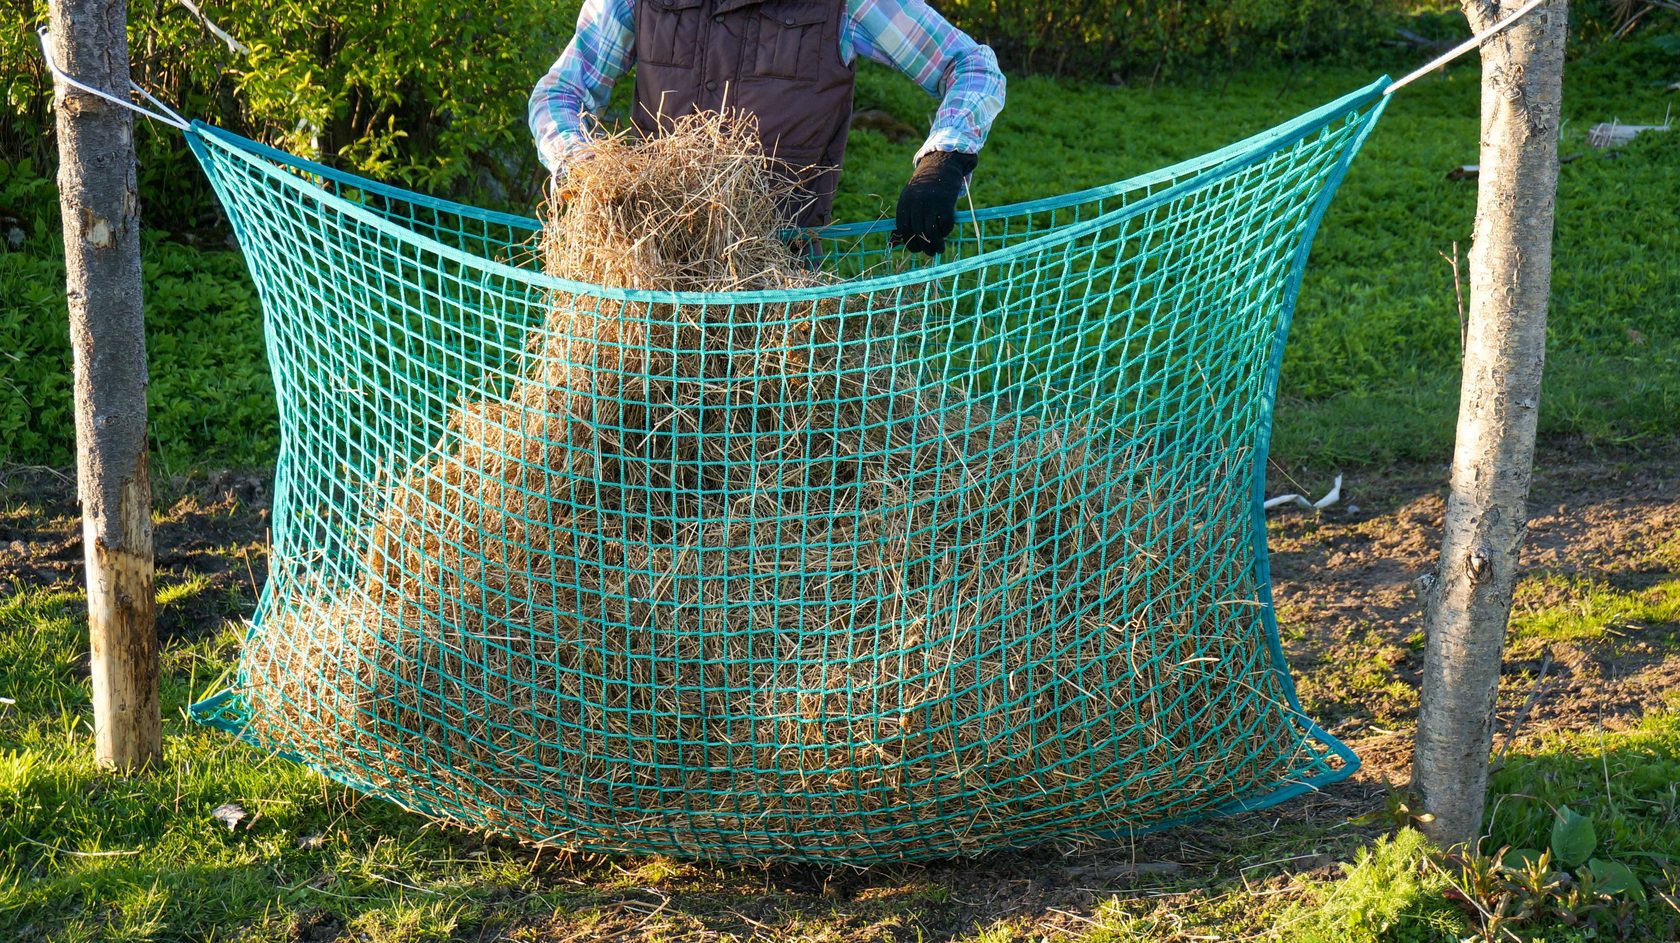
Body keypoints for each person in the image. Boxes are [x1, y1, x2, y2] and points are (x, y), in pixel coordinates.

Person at [529, 0, 1006, 255]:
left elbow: (970, 67)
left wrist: (943, 161)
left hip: (779, 298)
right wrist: (586, 168)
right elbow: (559, 93)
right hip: (647, 284)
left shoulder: (848, 4)